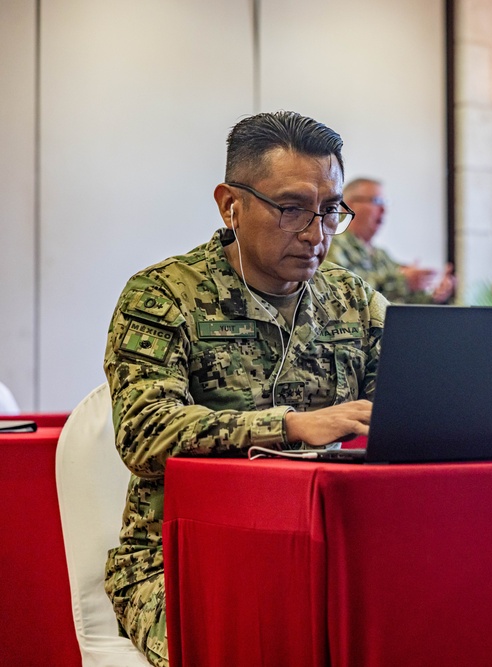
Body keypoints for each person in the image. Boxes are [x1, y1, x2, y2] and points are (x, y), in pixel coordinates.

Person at [103, 111, 386, 666]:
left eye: (330, 211)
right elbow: (143, 431)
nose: (316, 233)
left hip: (324, 550)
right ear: (230, 204)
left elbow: (404, 411)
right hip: (180, 560)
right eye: (291, 209)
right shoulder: (164, 295)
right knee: (264, 642)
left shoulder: (354, 300)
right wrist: (287, 426)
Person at [326, 177, 454, 303]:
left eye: (384, 203)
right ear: (349, 205)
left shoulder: (381, 256)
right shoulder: (332, 245)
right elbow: (343, 292)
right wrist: (402, 282)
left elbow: (402, 302)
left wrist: (436, 296)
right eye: (376, 201)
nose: (383, 210)